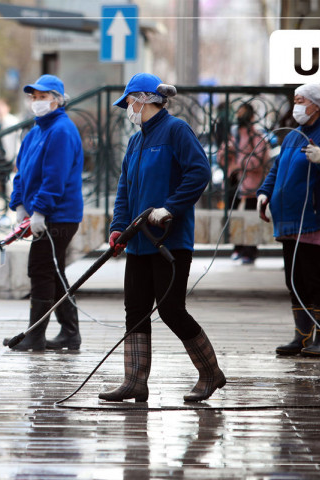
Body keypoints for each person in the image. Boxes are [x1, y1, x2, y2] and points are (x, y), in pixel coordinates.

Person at [99, 73, 226, 403]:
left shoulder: (176, 131)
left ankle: (210, 372)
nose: (127, 107)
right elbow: (125, 188)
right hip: (138, 240)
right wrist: (118, 226)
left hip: (168, 240)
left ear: (143, 98)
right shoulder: (136, 140)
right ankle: (135, 380)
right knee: (136, 309)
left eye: (129, 101)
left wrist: (169, 207)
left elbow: (198, 173)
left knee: (170, 309)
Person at [257, 84, 320, 358]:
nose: (296, 105)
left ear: (317, 106)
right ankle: (302, 336)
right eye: (295, 100)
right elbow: (277, 169)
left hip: (314, 221)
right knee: (295, 281)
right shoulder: (293, 136)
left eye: (301, 100)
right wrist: (265, 193)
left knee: (316, 281)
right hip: (289, 223)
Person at [3, 74, 84, 351]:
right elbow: (21, 173)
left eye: (44, 96)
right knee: (54, 272)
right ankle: (70, 334)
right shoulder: (35, 132)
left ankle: (35, 336)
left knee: (40, 270)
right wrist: (20, 206)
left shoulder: (61, 130)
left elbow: (54, 178)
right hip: (45, 214)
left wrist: (40, 212)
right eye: (34, 97)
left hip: (59, 216)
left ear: (58, 100)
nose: (37, 102)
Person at [217, 102, 271, 264]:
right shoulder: (234, 135)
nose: (241, 117)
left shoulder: (257, 136)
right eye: (239, 113)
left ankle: (250, 250)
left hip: (252, 185)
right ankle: (238, 247)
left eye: (244, 113)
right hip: (234, 182)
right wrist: (227, 153)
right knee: (234, 215)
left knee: (250, 217)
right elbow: (222, 157)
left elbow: (261, 158)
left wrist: (240, 163)